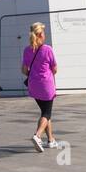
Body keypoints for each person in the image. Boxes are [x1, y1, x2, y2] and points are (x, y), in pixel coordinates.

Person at [21, 21, 58, 152]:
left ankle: (51, 140)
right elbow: (55, 69)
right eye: (43, 32)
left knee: (44, 113)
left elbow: (24, 70)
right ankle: (37, 136)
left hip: (33, 85)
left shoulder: (27, 50)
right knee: (47, 113)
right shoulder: (47, 49)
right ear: (40, 34)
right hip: (46, 85)